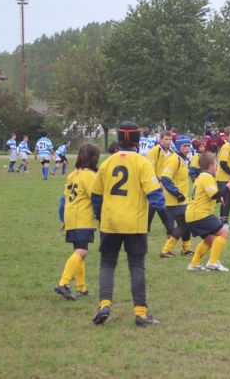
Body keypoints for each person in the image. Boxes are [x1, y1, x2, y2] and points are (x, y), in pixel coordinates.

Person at [90, 121, 166, 327]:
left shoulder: (107, 162)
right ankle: (141, 313)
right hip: (134, 223)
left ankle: (104, 305)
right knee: (136, 266)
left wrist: (100, 215)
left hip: (110, 222)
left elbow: (95, 195)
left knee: (107, 263)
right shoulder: (142, 163)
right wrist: (166, 213)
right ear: (137, 140)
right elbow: (155, 194)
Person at [55, 144, 101, 300]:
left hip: (71, 215)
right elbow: (96, 198)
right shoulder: (90, 176)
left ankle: (82, 288)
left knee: (80, 252)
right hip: (82, 217)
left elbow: (63, 199)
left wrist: (63, 219)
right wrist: (102, 215)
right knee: (81, 251)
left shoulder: (73, 174)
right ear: (95, 158)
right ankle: (63, 283)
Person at [185, 152, 230, 272]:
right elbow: (214, 194)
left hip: (193, 215)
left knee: (210, 240)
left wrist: (221, 197)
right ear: (210, 165)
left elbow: (209, 195)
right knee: (224, 232)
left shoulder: (202, 176)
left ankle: (194, 264)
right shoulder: (206, 177)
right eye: (215, 164)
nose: (217, 166)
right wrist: (227, 189)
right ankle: (213, 263)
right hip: (200, 214)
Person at [159, 135, 193, 258]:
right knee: (184, 224)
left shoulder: (183, 159)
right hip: (175, 200)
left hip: (182, 199)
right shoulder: (174, 159)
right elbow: (165, 178)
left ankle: (186, 249)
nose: (188, 148)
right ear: (178, 146)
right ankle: (166, 250)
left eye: (189, 146)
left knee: (186, 223)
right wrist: (177, 194)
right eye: (185, 146)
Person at [147, 130, 173, 232]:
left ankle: (147, 226)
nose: (168, 142)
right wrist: (158, 181)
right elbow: (150, 168)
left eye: (170, 139)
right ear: (160, 139)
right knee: (157, 204)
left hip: (167, 182)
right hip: (157, 182)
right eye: (166, 139)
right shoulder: (155, 150)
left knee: (157, 205)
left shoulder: (171, 152)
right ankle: (169, 228)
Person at [216, 126, 230, 227]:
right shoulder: (226, 146)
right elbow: (223, 163)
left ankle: (222, 220)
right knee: (228, 198)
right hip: (222, 178)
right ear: (227, 136)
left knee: (227, 198)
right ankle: (224, 221)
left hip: (226, 178)